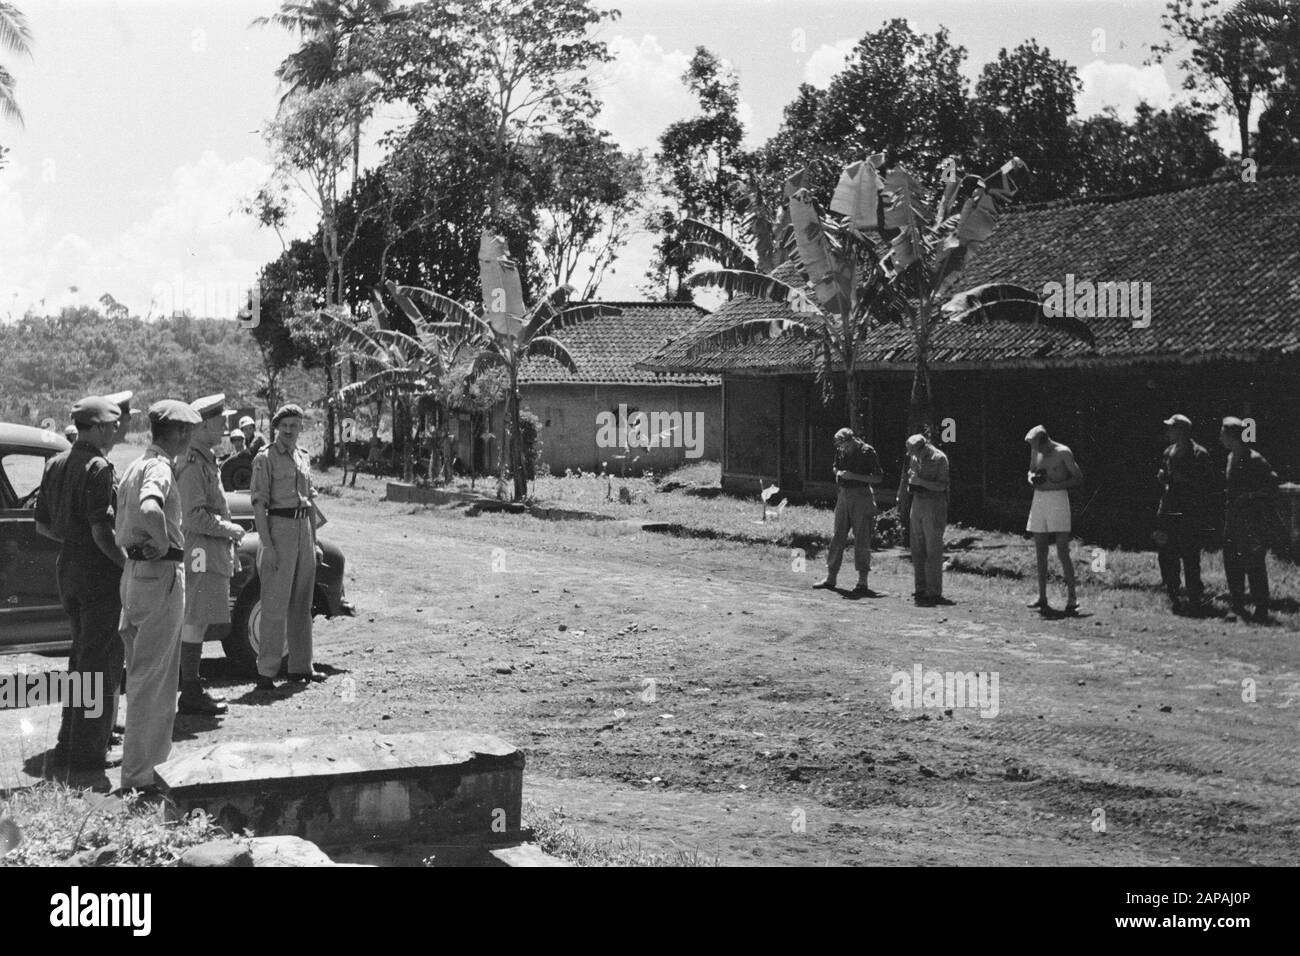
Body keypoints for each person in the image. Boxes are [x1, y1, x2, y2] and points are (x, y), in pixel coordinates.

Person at [34, 395, 130, 772]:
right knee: (100, 663)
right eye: (110, 426)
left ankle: (68, 743)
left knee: (80, 659)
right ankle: (88, 753)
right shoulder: (98, 467)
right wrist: (126, 567)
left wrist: (73, 541)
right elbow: (102, 531)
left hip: (69, 571)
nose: (115, 431)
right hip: (98, 577)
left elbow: (42, 524)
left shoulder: (56, 463)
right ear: (98, 427)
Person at [114, 399, 201, 794]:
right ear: (179, 434)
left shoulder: (134, 463)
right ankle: (144, 777)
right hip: (159, 574)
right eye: (188, 432)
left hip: (134, 574)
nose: (189, 438)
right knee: (158, 681)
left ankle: (138, 772)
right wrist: (164, 542)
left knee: (141, 678)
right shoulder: (160, 466)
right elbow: (151, 507)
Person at [176, 394, 245, 716]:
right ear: (202, 425)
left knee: (199, 620)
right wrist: (228, 529)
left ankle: (191, 686)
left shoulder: (204, 458)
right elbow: (193, 517)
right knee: (195, 620)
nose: (225, 425)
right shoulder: (193, 463)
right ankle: (189, 690)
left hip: (207, 548)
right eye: (220, 420)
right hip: (200, 550)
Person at [250, 404, 324, 691]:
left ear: (300, 427)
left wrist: (315, 542)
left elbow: (311, 503)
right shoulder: (265, 458)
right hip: (278, 530)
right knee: (274, 603)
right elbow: (259, 505)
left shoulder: (303, 457)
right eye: (285, 426)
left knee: (302, 603)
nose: (290, 431)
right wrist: (266, 545)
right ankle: (266, 672)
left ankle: (301, 667)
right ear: (277, 428)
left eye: (295, 425)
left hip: (303, 529)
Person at [1220, 417, 1281, 623]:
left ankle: (1261, 610)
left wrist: (1250, 496)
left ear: (1231, 435)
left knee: (1254, 564)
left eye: (1223, 433)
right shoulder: (1231, 457)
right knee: (1232, 561)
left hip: (1252, 521)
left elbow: (1272, 485)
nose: (1221, 437)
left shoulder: (1255, 459)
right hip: (1233, 518)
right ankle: (1238, 606)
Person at [1154, 414, 1215, 614]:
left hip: (1189, 511)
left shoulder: (1199, 454)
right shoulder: (1168, 452)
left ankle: (1195, 598)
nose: (1168, 431)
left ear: (1181, 430)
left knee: (1190, 555)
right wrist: (1164, 479)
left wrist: (1182, 479)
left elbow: (1206, 485)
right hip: (1169, 509)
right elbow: (1167, 481)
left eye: (1171, 428)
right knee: (1167, 554)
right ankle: (1173, 594)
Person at [814, 427, 883, 595]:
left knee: (862, 537)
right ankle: (831, 577)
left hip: (862, 495)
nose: (840, 448)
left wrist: (853, 476)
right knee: (838, 535)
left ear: (851, 440)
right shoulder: (841, 450)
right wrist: (839, 473)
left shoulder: (867, 452)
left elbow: (878, 477)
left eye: (842, 444)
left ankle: (862, 581)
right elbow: (835, 467)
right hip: (844, 495)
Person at [1024, 425, 1084, 614]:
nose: (1036, 450)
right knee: (1040, 549)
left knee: (1061, 550)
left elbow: (1078, 478)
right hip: (1039, 499)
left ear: (1045, 440)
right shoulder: (1035, 450)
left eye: (1037, 446)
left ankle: (1072, 598)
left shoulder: (1063, 452)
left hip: (1058, 498)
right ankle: (1042, 596)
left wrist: (1054, 485)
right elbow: (1031, 470)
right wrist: (1032, 478)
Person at [897, 434, 951, 606]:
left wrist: (921, 482)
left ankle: (934, 591)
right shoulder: (913, 457)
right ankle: (920, 587)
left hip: (934, 504)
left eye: (913, 451)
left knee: (932, 547)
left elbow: (943, 486)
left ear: (923, 447)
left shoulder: (939, 458)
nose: (912, 454)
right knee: (917, 546)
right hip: (918, 502)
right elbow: (908, 478)